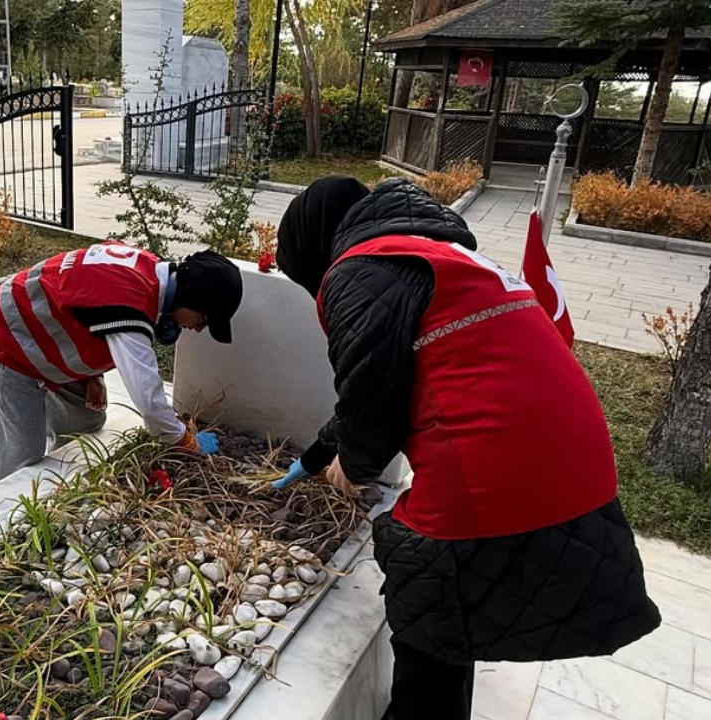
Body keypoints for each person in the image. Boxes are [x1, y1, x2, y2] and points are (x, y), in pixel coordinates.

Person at [273, 177, 661, 720]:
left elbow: (371, 399)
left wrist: (353, 466)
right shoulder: (438, 254)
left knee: (429, 598)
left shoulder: (359, 269)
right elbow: (388, 381)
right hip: (576, 463)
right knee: (457, 606)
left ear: (315, 252)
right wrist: (316, 456)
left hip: (496, 463)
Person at [0, 242, 243, 489]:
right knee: (17, 456)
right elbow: (149, 401)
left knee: (85, 422)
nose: (197, 329)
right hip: (10, 338)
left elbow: (84, 302)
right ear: (191, 296)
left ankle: (62, 488)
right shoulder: (129, 304)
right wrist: (185, 440)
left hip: (45, 332)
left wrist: (93, 373)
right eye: (204, 320)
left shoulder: (148, 269)